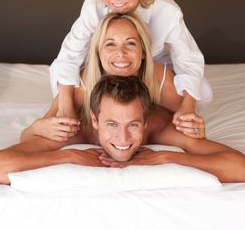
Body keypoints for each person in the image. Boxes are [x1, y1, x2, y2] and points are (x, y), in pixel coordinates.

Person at [50, 0, 212, 126]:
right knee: (69, 90)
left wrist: (188, 105)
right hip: (109, 61)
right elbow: (70, 54)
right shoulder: (92, 5)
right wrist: (65, 107)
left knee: (202, 92)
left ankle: (148, 105)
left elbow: (188, 58)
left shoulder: (167, 11)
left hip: (153, 61)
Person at [0, 75, 244, 185]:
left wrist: (167, 157)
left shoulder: (161, 126)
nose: (122, 139)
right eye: (111, 124)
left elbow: (240, 168)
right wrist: (67, 155)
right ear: (95, 120)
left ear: (145, 122)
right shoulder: (73, 130)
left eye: (133, 125)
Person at [21, 13, 205, 142]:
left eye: (130, 43)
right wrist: (37, 128)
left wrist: (194, 128)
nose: (121, 53)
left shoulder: (159, 77)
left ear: (142, 51)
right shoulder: (81, 85)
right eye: (110, 44)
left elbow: (190, 128)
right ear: (98, 52)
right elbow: (28, 136)